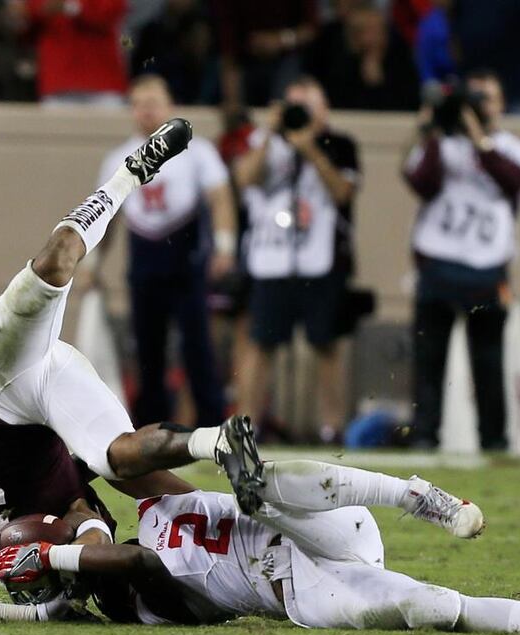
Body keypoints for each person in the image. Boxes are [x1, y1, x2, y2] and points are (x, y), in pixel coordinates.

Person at [0, 117, 266, 620]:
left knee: (55, 260)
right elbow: (128, 540)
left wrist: (31, 610)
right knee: (118, 460)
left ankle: (130, 173)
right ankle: (219, 446)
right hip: (53, 404)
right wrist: (55, 578)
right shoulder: (74, 513)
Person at [0, 460, 520, 635]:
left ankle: (417, 496)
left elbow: (87, 451)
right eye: (71, 525)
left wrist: (38, 508)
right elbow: (132, 562)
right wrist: (58, 553)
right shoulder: (139, 604)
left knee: (262, 486)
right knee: (438, 607)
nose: (82, 515)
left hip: (319, 525)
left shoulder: (153, 503)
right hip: (307, 590)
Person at [401, 70, 520, 451]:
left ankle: (493, 439)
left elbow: (515, 180)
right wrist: (431, 129)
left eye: (486, 98)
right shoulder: (442, 145)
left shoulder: (516, 150)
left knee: (488, 362)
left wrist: (479, 138)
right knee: (429, 360)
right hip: (439, 263)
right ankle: (425, 436)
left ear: (502, 104)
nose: (477, 107)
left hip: (486, 267)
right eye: (472, 99)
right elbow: (420, 182)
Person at [93, 75, 235, 428]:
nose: (147, 111)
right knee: (147, 353)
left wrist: (225, 246)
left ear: (171, 106)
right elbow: (103, 216)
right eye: (139, 104)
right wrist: (92, 262)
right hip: (145, 266)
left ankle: (212, 426)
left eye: (154, 103)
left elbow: (220, 198)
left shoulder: (197, 151)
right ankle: (150, 430)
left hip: (187, 264)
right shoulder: (118, 158)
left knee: (197, 349)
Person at [234, 76, 360, 444]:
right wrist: (272, 134)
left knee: (326, 344)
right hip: (271, 257)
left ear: (325, 109)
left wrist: (310, 149)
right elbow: (243, 178)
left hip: (320, 258)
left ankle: (331, 428)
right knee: (260, 343)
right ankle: (245, 429)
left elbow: (343, 192)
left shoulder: (340, 144)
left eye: (308, 104)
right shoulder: (266, 142)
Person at [213, 0, 319, 109]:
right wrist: (232, 99)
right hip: (244, 61)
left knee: (286, 100)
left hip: (289, 57)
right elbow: (228, 46)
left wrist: (280, 40)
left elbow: (312, 28)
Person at [24, 0, 128, 106]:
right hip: (58, 80)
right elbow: (27, 19)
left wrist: (71, 6)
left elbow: (112, 11)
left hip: (102, 80)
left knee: (111, 121)